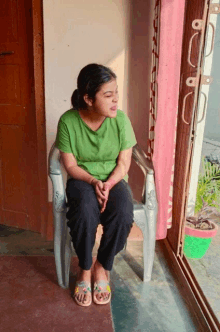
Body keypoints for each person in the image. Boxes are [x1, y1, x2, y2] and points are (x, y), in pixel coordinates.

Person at [55, 63, 137, 307]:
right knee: (83, 213)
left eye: (116, 93)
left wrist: (109, 183)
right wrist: (93, 181)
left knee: (122, 213)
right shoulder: (68, 121)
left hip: (113, 178)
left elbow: (124, 163)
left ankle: (102, 266)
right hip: (83, 179)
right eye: (108, 95)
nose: (115, 101)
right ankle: (85, 268)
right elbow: (70, 166)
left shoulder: (120, 120)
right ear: (89, 99)